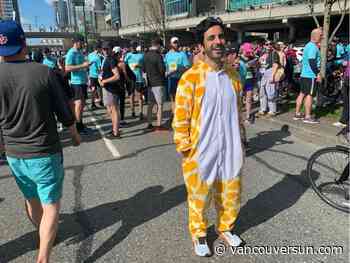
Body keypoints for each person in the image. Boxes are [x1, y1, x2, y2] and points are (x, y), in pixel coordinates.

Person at [0, 20, 80, 263]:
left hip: (14, 154)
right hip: (44, 151)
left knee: (31, 198)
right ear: (24, 43)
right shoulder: (42, 72)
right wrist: (75, 136)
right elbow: (64, 113)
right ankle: (43, 256)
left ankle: (44, 234)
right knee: (51, 204)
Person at [173, 17, 246, 257]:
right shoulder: (191, 78)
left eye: (220, 36)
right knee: (199, 196)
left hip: (230, 147)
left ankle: (226, 227)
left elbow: (238, 112)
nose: (218, 41)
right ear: (202, 45)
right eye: (211, 38)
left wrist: (242, 140)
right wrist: (185, 147)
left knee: (230, 193)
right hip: (200, 151)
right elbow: (180, 118)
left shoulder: (234, 77)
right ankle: (199, 232)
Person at [294, 28, 323, 124]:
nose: (322, 37)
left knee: (302, 93)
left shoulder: (308, 45)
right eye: (321, 35)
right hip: (310, 75)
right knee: (309, 95)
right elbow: (312, 61)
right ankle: (307, 116)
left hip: (304, 74)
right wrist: (317, 73)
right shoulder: (313, 47)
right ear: (315, 36)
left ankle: (297, 114)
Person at [65, 34, 91, 134]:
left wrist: (87, 65)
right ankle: (78, 127)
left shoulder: (79, 52)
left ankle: (81, 124)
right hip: (76, 83)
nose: (83, 44)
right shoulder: (71, 53)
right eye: (81, 42)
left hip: (83, 81)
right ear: (76, 42)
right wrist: (82, 65)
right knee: (79, 105)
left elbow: (82, 65)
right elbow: (67, 68)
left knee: (82, 104)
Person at [99, 41, 122, 138]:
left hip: (112, 89)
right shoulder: (107, 58)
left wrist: (105, 81)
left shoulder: (111, 60)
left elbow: (117, 76)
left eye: (107, 49)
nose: (105, 51)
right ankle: (114, 129)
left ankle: (116, 132)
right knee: (112, 110)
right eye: (103, 49)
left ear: (111, 49)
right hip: (109, 88)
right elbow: (103, 72)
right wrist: (100, 79)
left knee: (114, 109)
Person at [144, 38, 167, 131]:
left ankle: (149, 123)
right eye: (160, 46)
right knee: (160, 104)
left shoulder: (146, 55)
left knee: (150, 104)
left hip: (150, 83)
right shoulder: (158, 56)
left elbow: (143, 69)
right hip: (158, 82)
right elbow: (162, 70)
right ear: (158, 45)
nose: (161, 48)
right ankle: (159, 125)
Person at [164, 37, 191, 115]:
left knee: (180, 98)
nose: (176, 44)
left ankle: (181, 114)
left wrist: (178, 68)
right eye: (174, 42)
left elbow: (187, 67)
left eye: (177, 42)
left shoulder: (182, 54)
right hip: (171, 79)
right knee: (172, 99)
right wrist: (166, 72)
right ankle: (174, 114)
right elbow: (165, 67)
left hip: (180, 79)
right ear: (170, 44)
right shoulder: (167, 55)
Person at [257, 41, 281, 117]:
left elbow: (275, 65)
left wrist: (272, 76)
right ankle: (263, 109)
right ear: (264, 45)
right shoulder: (262, 53)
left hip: (270, 73)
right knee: (262, 93)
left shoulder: (274, 53)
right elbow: (260, 64)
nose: (269, 46)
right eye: (267, 44)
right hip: (262, 74)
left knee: (271, 93)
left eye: (271, 44)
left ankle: (272, 111)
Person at [124, 42, 145, 119]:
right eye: (131, 47)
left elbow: (144, 66)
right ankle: (132, 112)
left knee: (139, 96)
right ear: (130, 47)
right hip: (130, 79)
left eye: (134, 46)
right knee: (131, 95)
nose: (132, 48)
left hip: (139, 78)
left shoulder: (141, 55)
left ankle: (141, 112)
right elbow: (124, 65)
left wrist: (139, 66)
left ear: (136, 47)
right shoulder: (128, 55)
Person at [88, 43, 103, 110]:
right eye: (100, 48)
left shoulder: (89, 55)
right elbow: (100, 68)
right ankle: (101, 102)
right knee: (100, 89)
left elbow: (88, 65)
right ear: (98, 48)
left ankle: (92, 103)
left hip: (91, 75)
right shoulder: (99, 56)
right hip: (98, 75)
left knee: (93, 90)